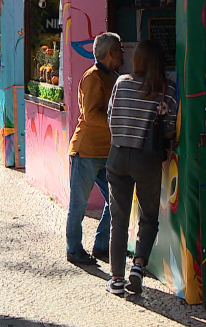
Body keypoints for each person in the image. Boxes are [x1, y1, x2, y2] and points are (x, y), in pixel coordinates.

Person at [105, 40, 177, 296]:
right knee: (148, 216)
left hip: (117, 155)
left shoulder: (121, 83)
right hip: (146, 160)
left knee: (119, 218)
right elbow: (169, 129)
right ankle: (138, 267)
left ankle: (116, 278)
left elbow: (110, 117)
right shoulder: (167, 89)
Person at [65, 32, 123, 267]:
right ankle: (73, 249)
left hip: (105, 151)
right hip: (87, 150)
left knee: (115, 201)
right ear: (110, 53)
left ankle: (101, 245)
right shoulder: (93, 78)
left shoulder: (112, 77)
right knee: (79, 203)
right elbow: (91, 115)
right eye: (120, 49)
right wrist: (117, 121)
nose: (123, 53)